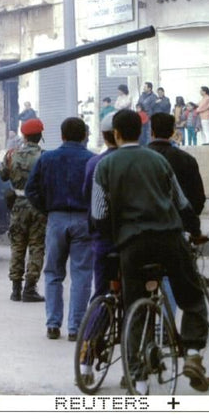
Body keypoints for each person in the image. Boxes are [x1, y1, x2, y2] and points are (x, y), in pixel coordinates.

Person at [91, 109, 208, 393]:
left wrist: (113, 239)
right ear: (141, 133)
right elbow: (181, 202)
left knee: (134, 308)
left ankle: (138, 378)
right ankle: (192, 354)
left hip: (132, 244)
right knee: (191, 296)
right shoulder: (158, 160)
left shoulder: (104, 166)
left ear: (115, 134)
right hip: (169, 238)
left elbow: (98, 213)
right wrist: (194, 230)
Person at [25, 117, 94, 341]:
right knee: (81, 274)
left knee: (53, 273)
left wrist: (47, 209)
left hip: (55, 218)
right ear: (84, 135)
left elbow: (31, 190)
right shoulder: (92, 160)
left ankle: (53, 324)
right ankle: (75, 328)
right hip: (84, 219)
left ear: (62, 135)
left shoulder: (47, 158)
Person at [0, 118, 47, 303]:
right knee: (36, 246)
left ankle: (15, 289)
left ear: (24, 135)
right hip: (37, 205)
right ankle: (30, 287)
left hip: (17, 205)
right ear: (40, 136)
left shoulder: (11, 154)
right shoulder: (44, 156)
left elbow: (2, 175)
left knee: (17, 246)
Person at [81, 111, 118, 299]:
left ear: (104, 136)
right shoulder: (149, 159)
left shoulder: (95, 162)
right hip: (134, 236)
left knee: (101, 293)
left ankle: (94, 328)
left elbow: (89, 196)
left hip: (103, 236)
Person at [148, 113, 206, 215]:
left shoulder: (138, 159)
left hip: (145, 222)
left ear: (151, 132)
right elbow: (198, 197)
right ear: (172, 132)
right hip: (178, 222)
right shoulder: (187, 159)